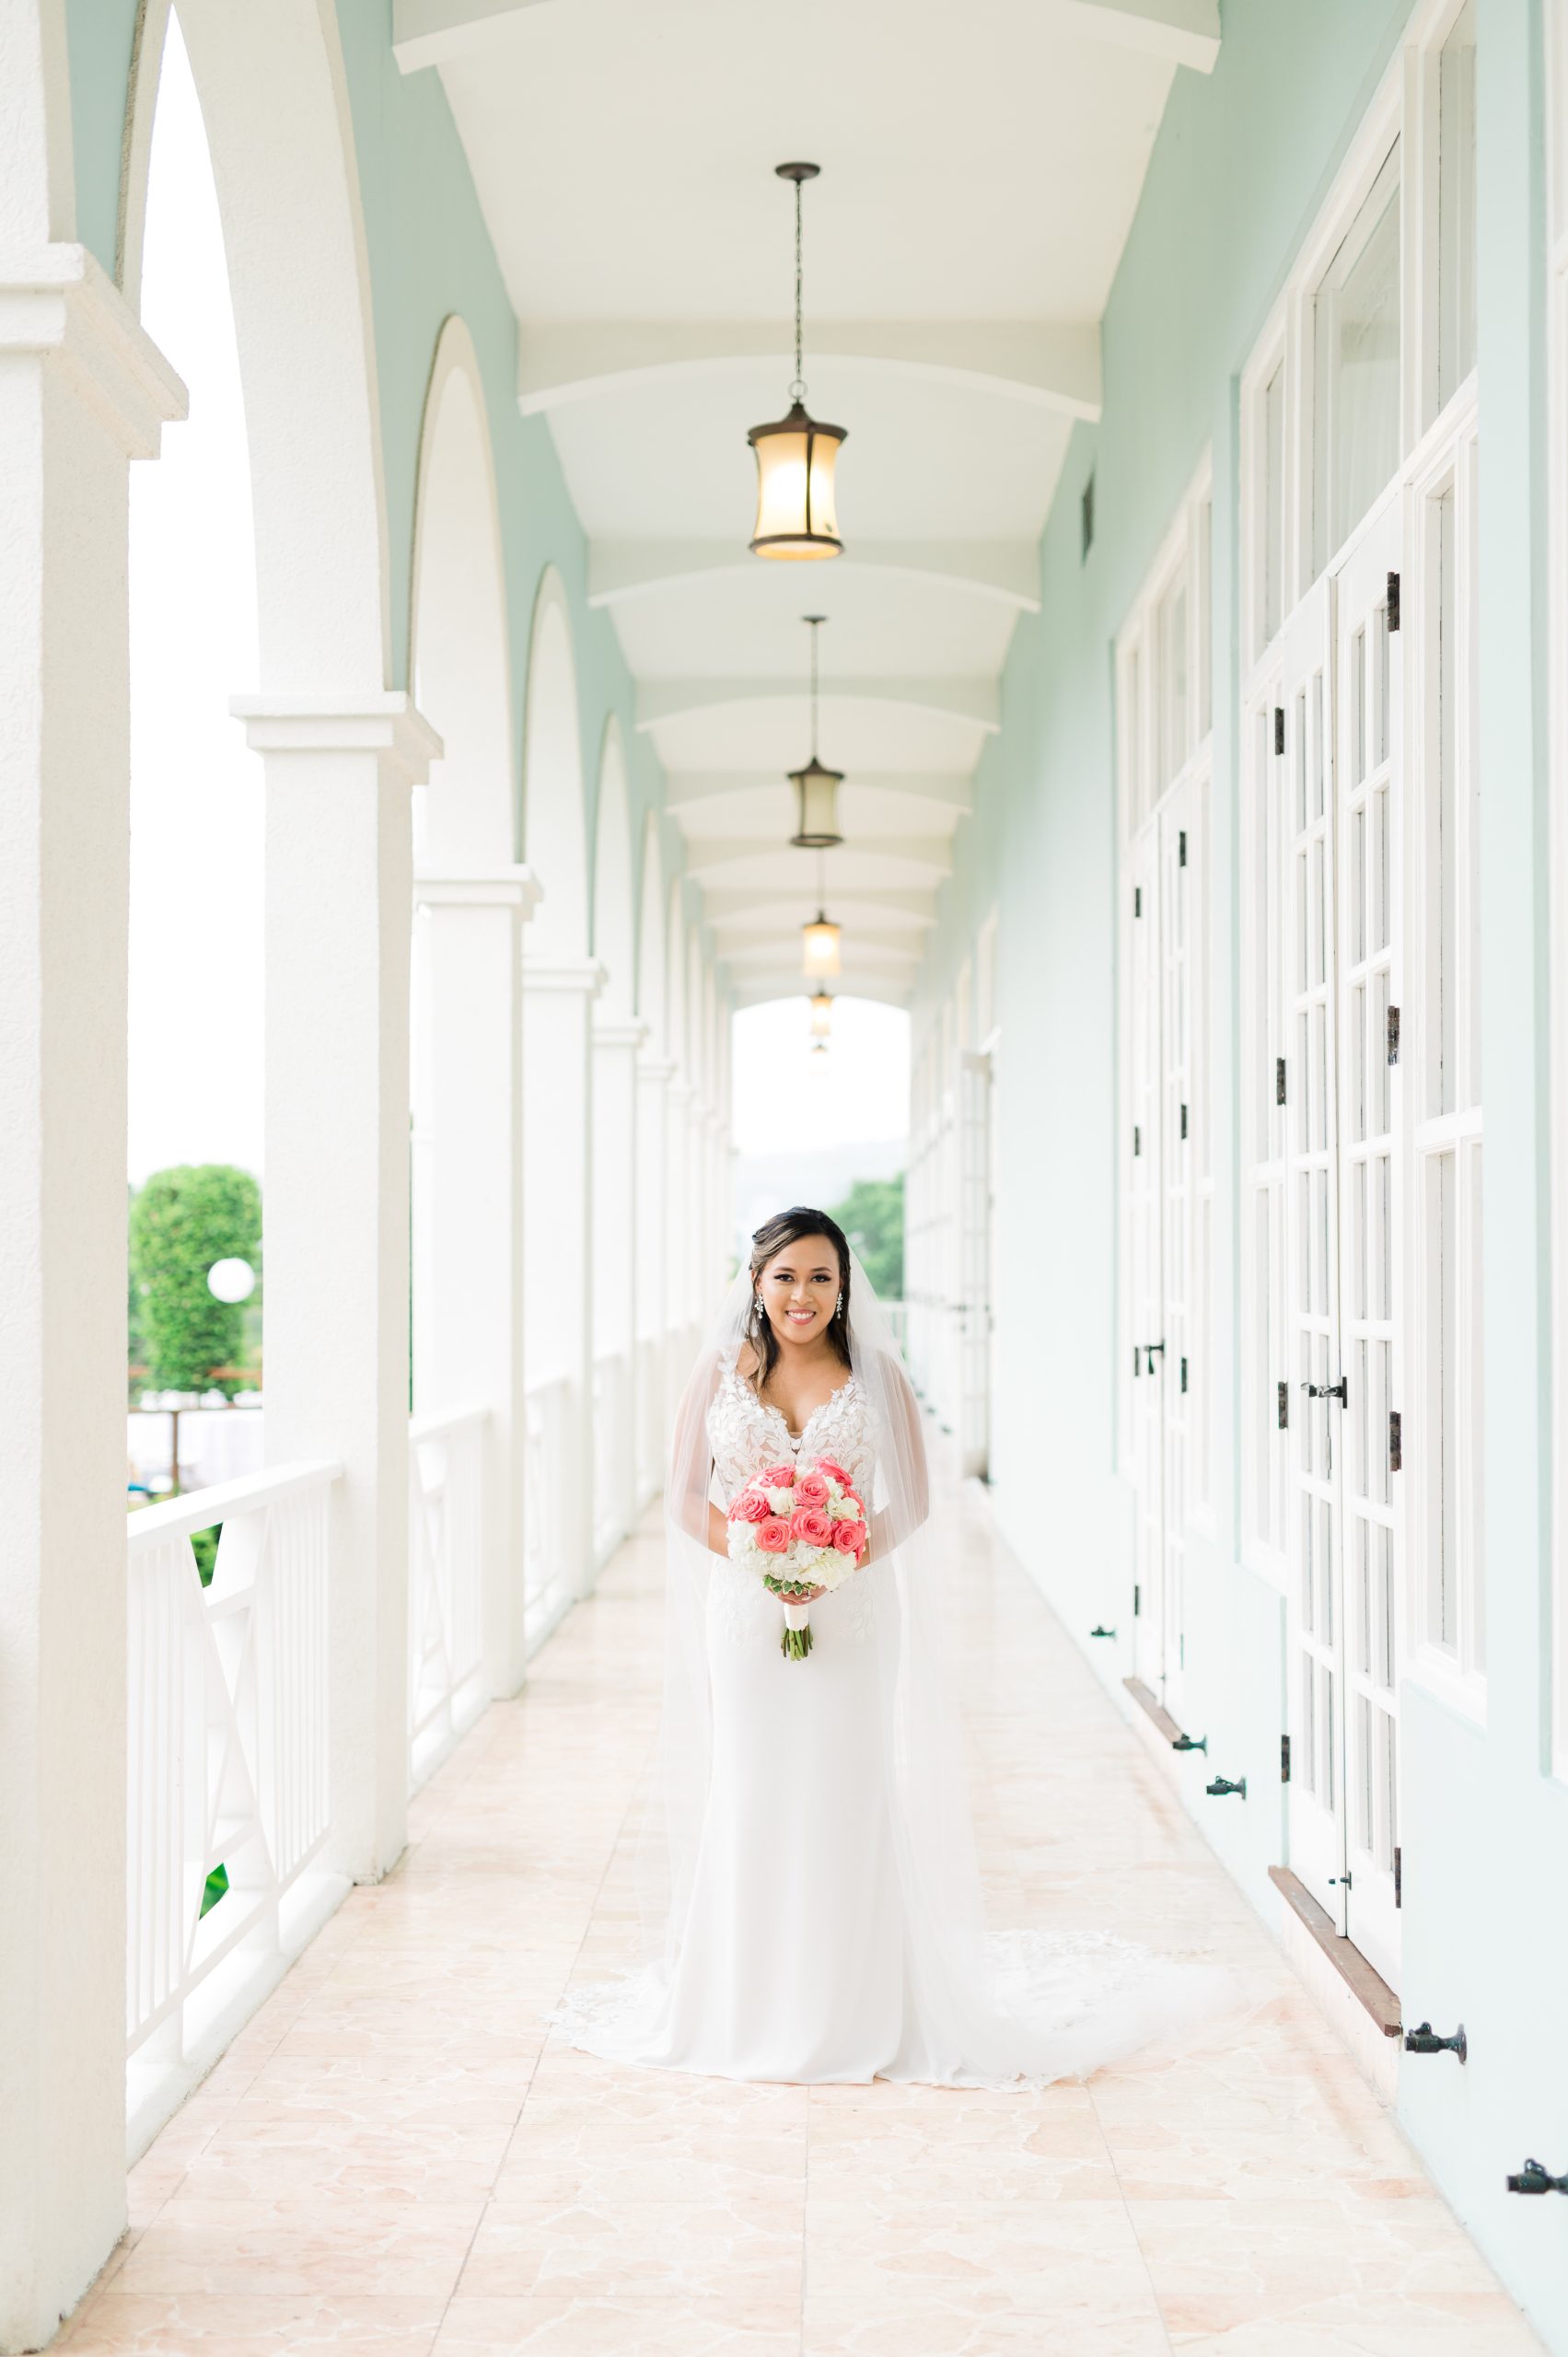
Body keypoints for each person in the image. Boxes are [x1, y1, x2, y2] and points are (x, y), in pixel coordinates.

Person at [554, 1205, 1235, 2086]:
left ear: (843, 1288)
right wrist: (764, 1556)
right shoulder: (718, 1375)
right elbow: (684, 1494)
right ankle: (742, 2001)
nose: (803, 1295)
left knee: (845, 1784)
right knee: (752, 1782)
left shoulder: (877, 1376)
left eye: (821, 1277)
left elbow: (909, 1500)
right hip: (746, 1613)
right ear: (757, 1285)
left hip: (852, 1609)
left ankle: (857, 2003)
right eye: (786, 1277)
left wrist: (830, 1561)